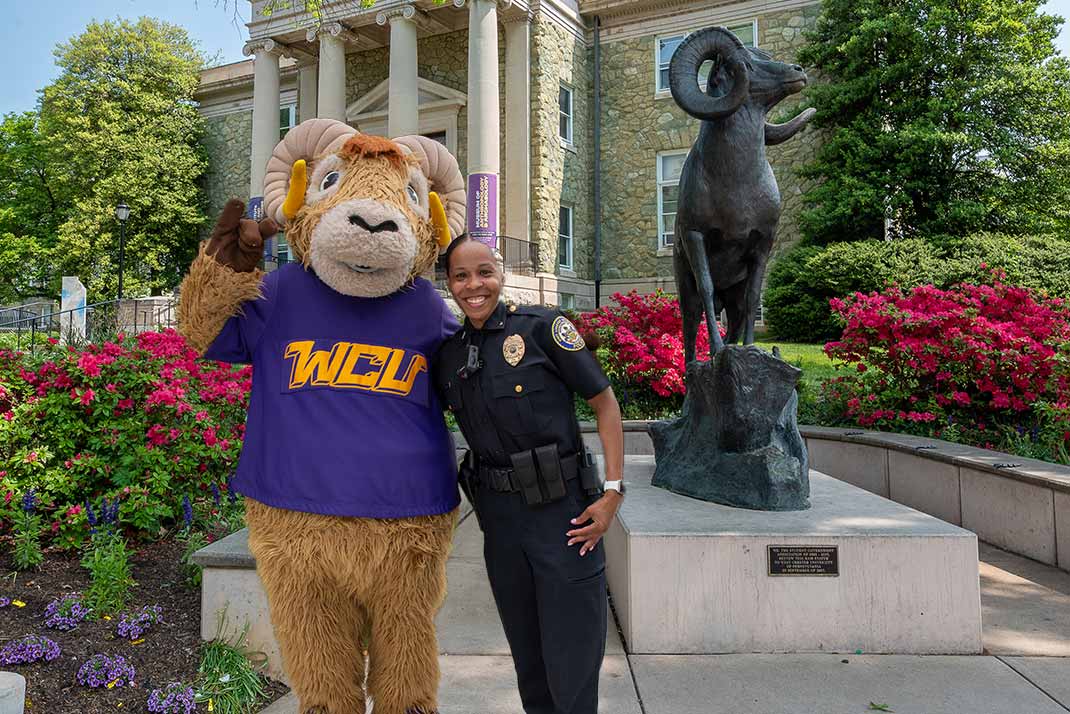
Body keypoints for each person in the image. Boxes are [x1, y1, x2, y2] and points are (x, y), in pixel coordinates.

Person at [432, 234, 626, 714]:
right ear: (449, 284)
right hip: (501, 525)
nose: (474, 285)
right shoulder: (450, 355)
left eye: (484, 272)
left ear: (500, 274)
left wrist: (612, 493)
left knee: (572, 666)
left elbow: (605, 404)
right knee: (530, 667)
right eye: (461, 276)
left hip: (564, 517)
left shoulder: (542, 328)